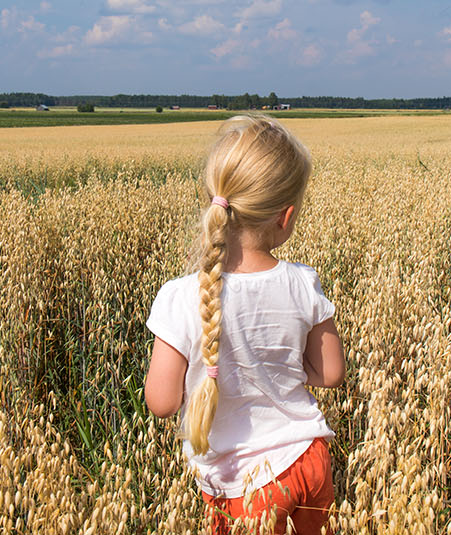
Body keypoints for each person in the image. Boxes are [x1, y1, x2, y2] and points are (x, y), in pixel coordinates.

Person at [144, 115, 346, 534]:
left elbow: (162, 403)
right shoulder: (302, 282)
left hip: (240, 486)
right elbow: (331, 373)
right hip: (307, 460)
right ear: (285, 217)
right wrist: (290, 368)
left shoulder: (181, 297)